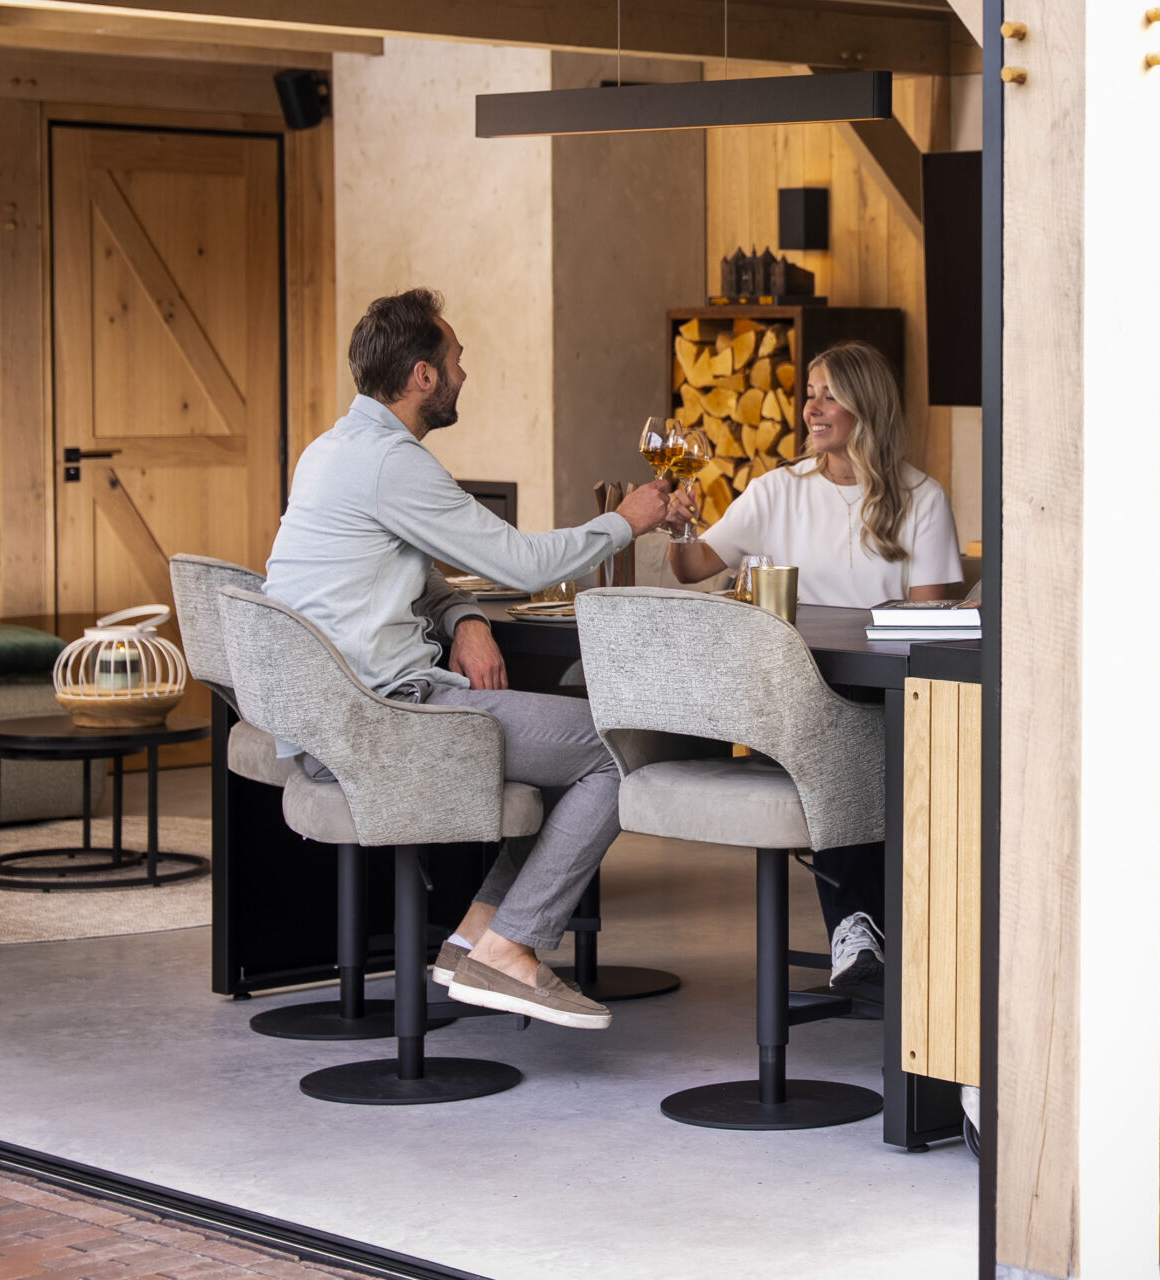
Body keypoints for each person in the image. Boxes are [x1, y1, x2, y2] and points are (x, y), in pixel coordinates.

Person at [266, 288, 688, 1031]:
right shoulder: (392, 463)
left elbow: (411, 568)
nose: (465, 371)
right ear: (423, 376)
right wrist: (627, 521)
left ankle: (474, 937)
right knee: (615, 746)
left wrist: (464, 617)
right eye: (456, 359)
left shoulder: (330, 450)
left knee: (564, 747)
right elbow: (523, 566)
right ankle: (512, 946)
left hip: (324, 718)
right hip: (382, 721)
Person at [669, 339, 964, 993]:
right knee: (837, 740)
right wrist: (679, 522)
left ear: (868, 405)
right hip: (797, 695)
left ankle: (869, 932)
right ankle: (864, 927)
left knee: (871, 742)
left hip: (890, 694)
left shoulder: (921, 497)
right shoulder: (777, 491)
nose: (811, 406)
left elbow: (928, 628)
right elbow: (692, 567)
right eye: (808, 391)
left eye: (829, 393)